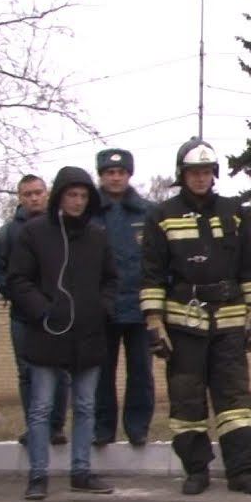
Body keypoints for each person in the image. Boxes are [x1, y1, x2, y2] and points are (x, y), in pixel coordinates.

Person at [140, 137, 251, 496]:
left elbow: (250, 265)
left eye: (207, 171)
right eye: (194, 172)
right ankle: (196, 470)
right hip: (183, 322)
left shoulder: (234, 212)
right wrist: (154, 322)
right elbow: (151, 272)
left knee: (235, 400)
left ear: (215, 174)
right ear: (182, 175)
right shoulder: (161, 216)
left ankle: (242, 471)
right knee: (187, 400)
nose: (200, 178)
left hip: (228, 320)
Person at [8, 167, 118, 500]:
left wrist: (101, 308)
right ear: (60, 196)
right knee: (41, 408)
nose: (78, 202)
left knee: (85, 406)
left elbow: (111, 280)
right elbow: (18, 280)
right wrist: (42, 310)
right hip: (46, 332)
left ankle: (81, 471)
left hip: (88, 334)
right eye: (72, 195)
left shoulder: (98, 236)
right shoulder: (34, 233)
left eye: (84, 196)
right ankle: (38, 475)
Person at [0, 174, 69, 446]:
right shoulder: (8, 232)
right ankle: (33, 427)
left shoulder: (62, 226)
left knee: (60, 370)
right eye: (27, 194)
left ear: (47, 194)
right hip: (23, 315)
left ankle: (56, 427)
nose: (33, 198)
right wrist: (19, 296)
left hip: (59, 314)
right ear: (20, 198)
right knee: (26, 372)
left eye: (38, 192)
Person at [92, 148, 155, 447]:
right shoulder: (89, 213)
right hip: (101, 308)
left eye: (120, 172)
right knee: (101, 373)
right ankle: (102, 428)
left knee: (141, 371)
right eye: (109, 173)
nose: (115, 178)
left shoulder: (148, 212)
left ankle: (138, 426)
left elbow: (159, 260)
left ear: (129, 175)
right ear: (101, 176)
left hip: (140, 307)